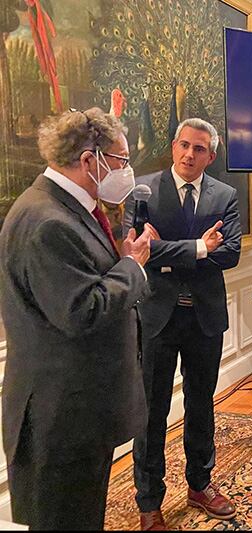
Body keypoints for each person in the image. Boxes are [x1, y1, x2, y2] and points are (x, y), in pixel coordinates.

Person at [0, 108, 154, 530]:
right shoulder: (48, 221)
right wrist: (133, 266)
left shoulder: (65, 207)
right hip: (62, 416)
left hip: (81, 409)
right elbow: (82, 310)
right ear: (90, 161)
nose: (127, 171)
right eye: (121, 161)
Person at [127, 118, 242, 529]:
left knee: (201, 403)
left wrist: (165, 250)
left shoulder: (226, 194)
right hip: (157, 315)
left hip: (205, 316)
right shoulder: (142, 191)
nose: (190, 154)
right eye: (184, 146)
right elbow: (138, 250)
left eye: (199, 149)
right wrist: (197, 248)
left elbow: (229, 255)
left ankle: (200, 484)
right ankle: (149, 500)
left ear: (211, 156)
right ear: (174, 147)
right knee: (152, 411)